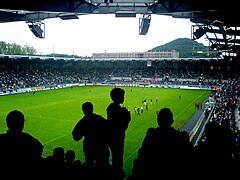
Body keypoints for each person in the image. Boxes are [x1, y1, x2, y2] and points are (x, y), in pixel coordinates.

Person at [128, 107, 193, 180]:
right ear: (172, 121)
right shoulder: (179, 137)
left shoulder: (151, 136)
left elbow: (141, 157)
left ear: (158, 121)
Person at [0, 110, 44, 178]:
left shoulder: (1, 139)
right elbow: (39, 148)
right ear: (22, 124)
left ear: (7, 123)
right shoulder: (27, 138)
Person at [72, 101, 110, 179]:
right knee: (103, 166)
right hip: (102, 147)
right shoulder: (99, 118)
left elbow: (76, 137)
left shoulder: (82, 122)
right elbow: (109, 128)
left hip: (89, 147)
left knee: (90, 166)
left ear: (83, 110)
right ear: (92, 109)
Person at [106, 87, 131, 179]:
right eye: (122, 96)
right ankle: (117, 174)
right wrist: (127, 117)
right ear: (118, 97)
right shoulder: (118, 110)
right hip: (117, 138)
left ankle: (115, 171)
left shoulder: (111, 107)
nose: (124, 98)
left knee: (115, 157)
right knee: (118, 157)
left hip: (112, 136)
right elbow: (122, 127)